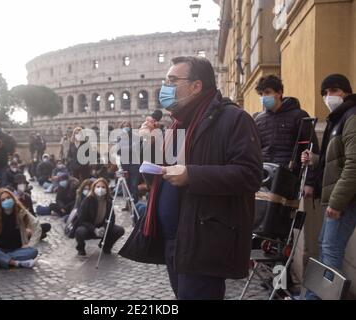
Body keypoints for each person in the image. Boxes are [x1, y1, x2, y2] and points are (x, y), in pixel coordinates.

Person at [139, 56, 262, 300]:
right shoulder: (177, 124)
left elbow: (250, 175)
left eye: (173, 80)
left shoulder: (234, 119)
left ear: (196, 86)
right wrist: (148, 144)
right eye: (166, 80)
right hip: (175, 238)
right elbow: (160, 175)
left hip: (203, 238)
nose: (166, 87)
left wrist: (191, 175)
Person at [301, 74, 356, 300]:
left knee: (330, 251)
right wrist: (313, 159)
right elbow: (334, 160)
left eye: (332, 90)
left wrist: (336, 202)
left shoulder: (351, 116)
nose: (327, 96)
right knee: (325, 245)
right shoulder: (339, 118)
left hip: (345, 200)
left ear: (344, 91)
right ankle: (315, 297)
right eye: (324, 93)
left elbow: (353, 164)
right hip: (339, 198)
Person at [254, 75, 319, 190]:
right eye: (261, 94)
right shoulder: (258, 120)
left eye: (267, 92)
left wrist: (309, 183)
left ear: (279, 93)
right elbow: (255, 151)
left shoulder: (299, 116)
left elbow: (310, 150)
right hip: (264, 179)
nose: (264, 97)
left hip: (290, 179)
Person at [74, 178, 125, 256]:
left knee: (119, 230)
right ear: (94, 188)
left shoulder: (109, 201)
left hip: (102, 227)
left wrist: (104, 227)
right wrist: (94, 229)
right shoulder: (88, 200)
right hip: (89, 227)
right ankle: (80, 248)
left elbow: (111, 219)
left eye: (103, 187)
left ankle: (106, 246)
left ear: (107, 189)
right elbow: (81, 220)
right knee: (80, 231)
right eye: (98, 187)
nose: (100, 189)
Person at [117, 121, 141, 205]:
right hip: (124, 164)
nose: (126, 127)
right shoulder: (120, 137)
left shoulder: (135, 137)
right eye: (124, 126)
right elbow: (118, 151)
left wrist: (124, 148)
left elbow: (136, 148)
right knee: (125, 185)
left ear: (130, 127)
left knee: (134, 185)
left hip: (134, 164)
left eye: (127, 126)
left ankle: (135, 205)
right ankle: (127, 204)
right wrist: (129, 147)